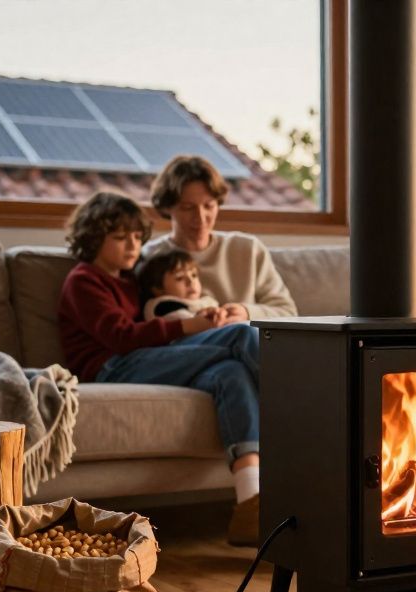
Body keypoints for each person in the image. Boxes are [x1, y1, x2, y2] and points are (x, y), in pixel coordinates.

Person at [57, 191, 264, 546]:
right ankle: (309, 406)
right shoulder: (83, 279)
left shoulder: (132, 281)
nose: (132, 245)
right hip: (111, 368)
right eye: (120, 238)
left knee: (230, 373)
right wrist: (189, 327)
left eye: (137, 237)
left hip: (149, 358)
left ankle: (250, 507)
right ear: (93, 238)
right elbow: (120, 337)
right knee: (239, 338)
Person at [143, 155, 299, 322]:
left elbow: (287, 312)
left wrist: (246, 313)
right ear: (167, 208)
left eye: (209, 206)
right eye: (188, 208)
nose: (201, 217)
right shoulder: (149, 257)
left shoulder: (248, 249)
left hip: (244, 339)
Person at [137, 247, 221, 322]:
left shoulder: (202, 302)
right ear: (158, 289)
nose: (190, 281)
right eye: (180, 278)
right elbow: (190, 324)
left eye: (194, 275)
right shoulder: (163, 307)